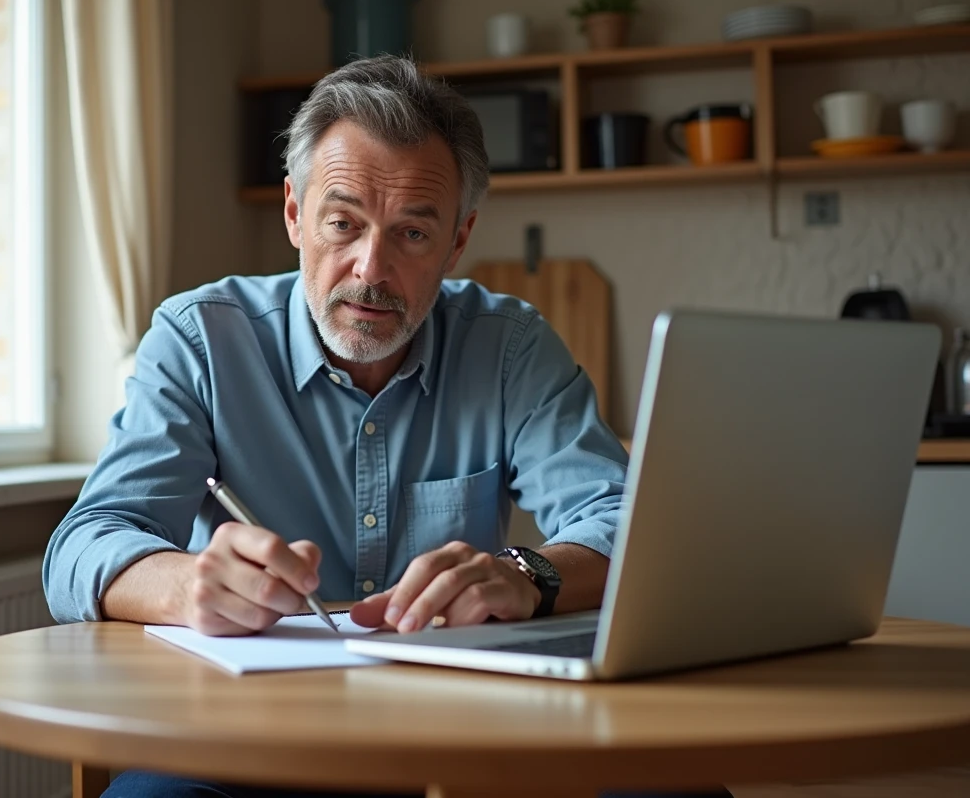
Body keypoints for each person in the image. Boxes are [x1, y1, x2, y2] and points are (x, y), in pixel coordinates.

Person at [43, 54, 730, 798]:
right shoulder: (200, 340)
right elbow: (85, 543)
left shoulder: (510, 347)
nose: (370, 269)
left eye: (412, 234)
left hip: (468, 734)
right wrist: (187, 585)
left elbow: (629, 522)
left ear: (457, 241)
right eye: (343, 223)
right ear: (294, 214)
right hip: (245, 737)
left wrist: (527, 573)